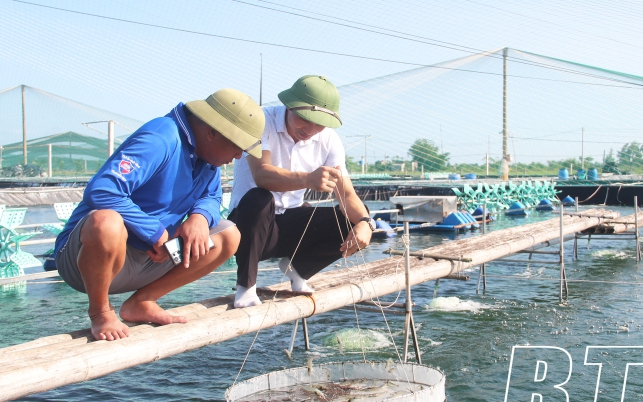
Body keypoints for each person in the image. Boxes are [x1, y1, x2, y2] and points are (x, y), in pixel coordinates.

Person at [54, 88, 265, 341]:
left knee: (228, 235)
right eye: (237, 146)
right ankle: (100, 311)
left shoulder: (208, 158)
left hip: (151, 258)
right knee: (105, 222)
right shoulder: (161, 137)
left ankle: (142, 301)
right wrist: (154, 232)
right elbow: (103, 190)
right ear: (212, 132)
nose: (239, 156)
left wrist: (198, 218)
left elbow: (212, 197)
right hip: (87, 262)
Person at [228, 75, 376, 308]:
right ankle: (246, 287)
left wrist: (367, 224)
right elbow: (261, 175)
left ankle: (298, 269)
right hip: (248, 227)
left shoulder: (329, 140)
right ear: (288, 106)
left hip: (287, 224)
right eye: (303, 119)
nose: (310, 129)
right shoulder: (261, 121)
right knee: (260, 198)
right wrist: (308, 179)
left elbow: (346, 194)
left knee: (354, 219)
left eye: (319, 123)